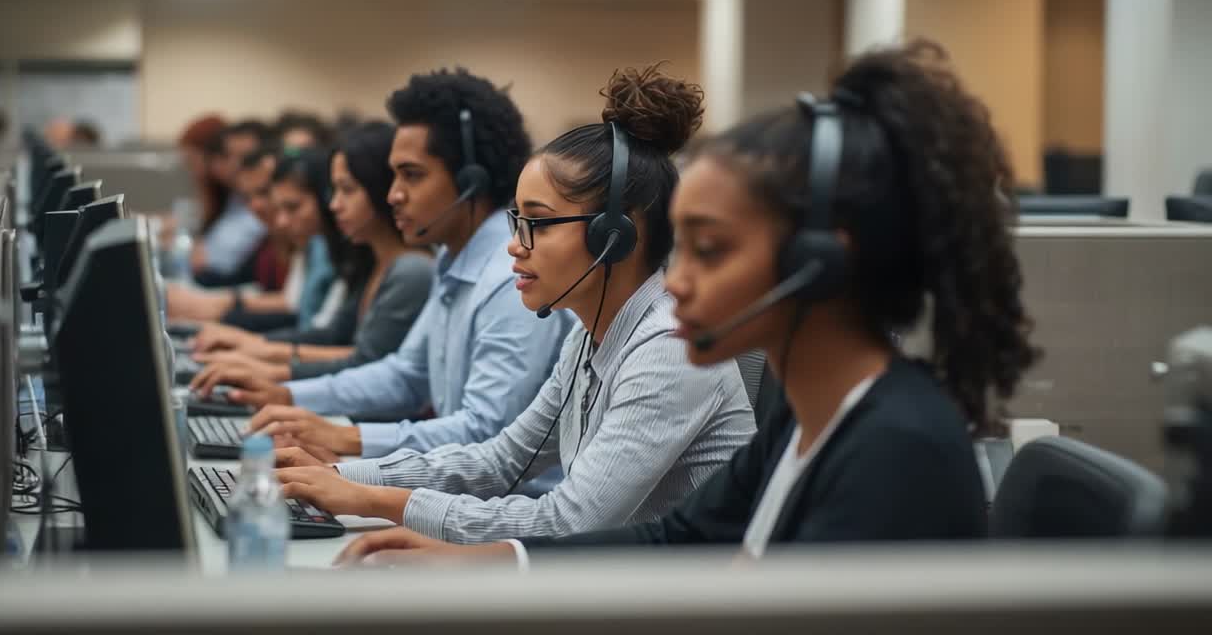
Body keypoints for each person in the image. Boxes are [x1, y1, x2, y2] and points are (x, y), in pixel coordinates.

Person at [337, 40, 1040, 566]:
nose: (674, 283)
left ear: (818, 261)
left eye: (709, 249)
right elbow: (679, 535)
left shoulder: (896, 448)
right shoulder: (806, 415)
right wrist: (481, 559)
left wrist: (397, 510)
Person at [259, 65, 756, 544]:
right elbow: (502, 459)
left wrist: (375, 499)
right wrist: (340, 476)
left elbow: (570, 521)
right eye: (517, 222)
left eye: (536, 223)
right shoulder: (587, 339)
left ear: (614, 235)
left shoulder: (669, 349)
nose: (515, 245)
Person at [207, 68, 575, 468]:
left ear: (472, 181)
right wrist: (288, 396)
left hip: (504, 501)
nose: (393, 195)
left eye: (411, 175)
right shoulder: (454, 260)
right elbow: (406, 375)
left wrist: (345, 439)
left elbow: (484, 432)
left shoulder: (509, 278)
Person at [189, 122, 433, 383]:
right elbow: (333, 335)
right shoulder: (371, 261)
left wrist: (267, 363)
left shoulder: (412, 270)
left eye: (347, 190)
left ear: (378, 189)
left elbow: (366, 362)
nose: (334, 205)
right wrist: (254, 346)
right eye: (334, 191)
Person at [169, 148, 342, 328]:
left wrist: (221, 312)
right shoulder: (285, 240)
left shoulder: (319, 243)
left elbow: (296, 308)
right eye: (247, 197)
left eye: (264, 192)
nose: (255, 205)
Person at [192, 120, 272, 280]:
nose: (234, 165)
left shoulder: (268, 206)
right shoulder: (233, 197)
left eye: (245, 157)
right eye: (229, 155)